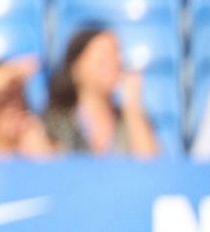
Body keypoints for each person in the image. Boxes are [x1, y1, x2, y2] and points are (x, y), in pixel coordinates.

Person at [44, 24, 160, 159]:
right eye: (103, 59)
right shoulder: (55, 123)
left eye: (117, 55)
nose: (116, 63)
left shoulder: (130, 120)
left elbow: (152, 166)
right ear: (76, 68)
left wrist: (132, 106)